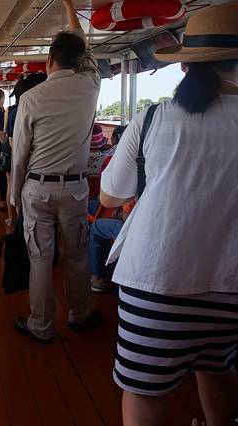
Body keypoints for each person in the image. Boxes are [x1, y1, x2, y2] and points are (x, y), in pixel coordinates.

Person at [99, 4, 238, 424]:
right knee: (218, 372)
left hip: (157, 282)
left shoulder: (154, 119)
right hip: (232, 286)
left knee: (144, 392)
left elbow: (109, 196)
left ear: (185, 66)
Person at [10, 0, 102, 342]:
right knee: (77, 257)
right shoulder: (91, 85)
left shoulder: (30, 98)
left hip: (37, 189)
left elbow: (20, 154)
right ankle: (79, 314)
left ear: (49, 61)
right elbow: (84, 47)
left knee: (40, 259)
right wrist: (68, 7)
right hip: (75, 189)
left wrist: (14, 198)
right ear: (80, 61)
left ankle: (41, 325)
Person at [5, 74, 47, 226]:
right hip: (38, 165)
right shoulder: (43, 110)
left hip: (24, 161)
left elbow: (12, 141)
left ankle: (15, 218)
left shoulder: (13, 112)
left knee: (13, 186)